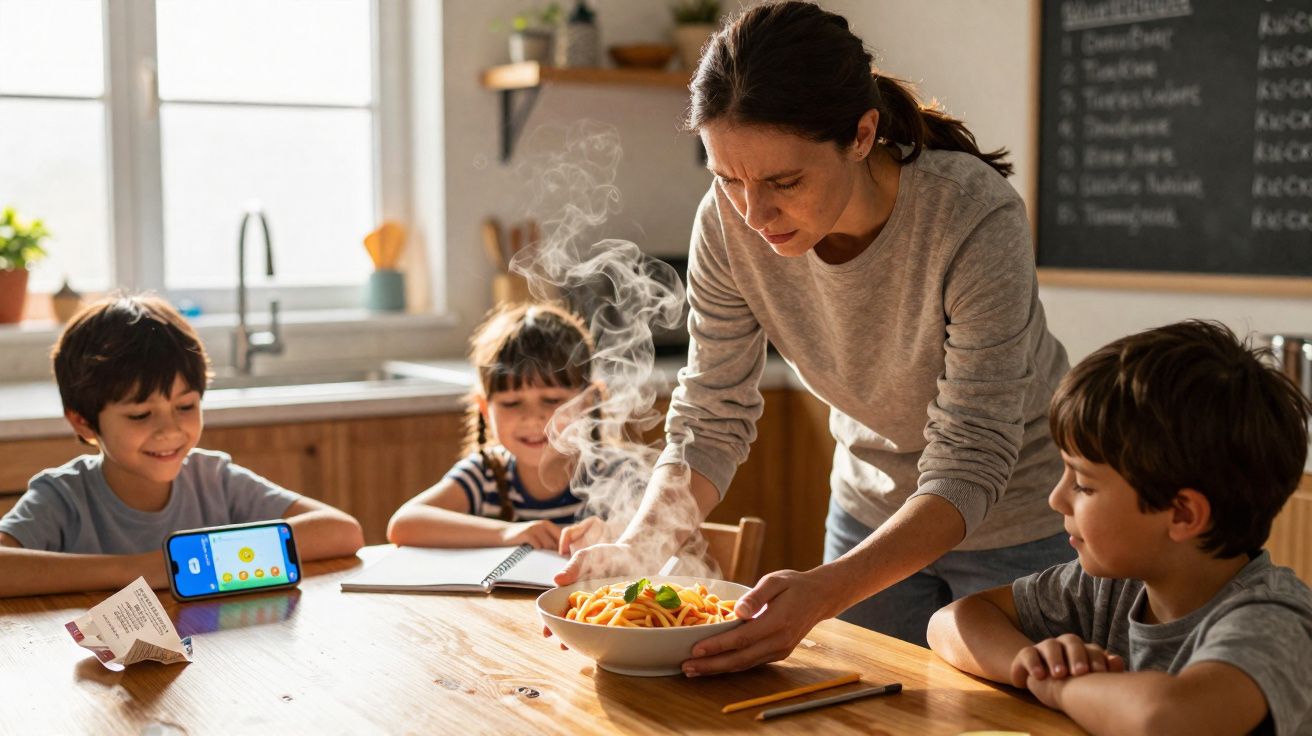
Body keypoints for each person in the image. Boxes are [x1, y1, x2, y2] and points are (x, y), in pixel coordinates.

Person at [556, 0, 1074, 670]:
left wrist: (824, 591)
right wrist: (639, 545)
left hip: (1019, 523)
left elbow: (972, 458)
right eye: (728, 179)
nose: (754, 213)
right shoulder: (725, 224)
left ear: (861, 135)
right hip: (868, 510)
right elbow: (710, 415)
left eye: (784, 181)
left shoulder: (971, 217)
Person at [927, 321, 1312, 735]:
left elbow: (1163, 720)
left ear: (1182, 515)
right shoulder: (1110, 587)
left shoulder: (1275, 622)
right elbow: (954, 621)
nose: (1056, 499)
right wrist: (1032, 663)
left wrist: (1061, 688)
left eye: (1083, 484)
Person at [0, 294, 365, 598]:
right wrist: (140, 569)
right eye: (141, 415)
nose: (170, 430)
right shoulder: (63, 497)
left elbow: (342, 531)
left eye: (185, 406)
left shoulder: (215, 480)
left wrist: (194, 562)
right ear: (83, 421)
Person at [388, 303, 599, 550]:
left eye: (552, 400)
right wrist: (506, 533)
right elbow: (403, 525)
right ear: (485, 409)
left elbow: (642, 539)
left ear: (587, 402)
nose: (532, 419)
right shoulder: (484, 475)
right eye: (512, 403)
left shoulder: (612, 474)